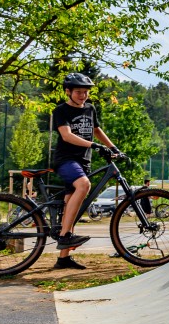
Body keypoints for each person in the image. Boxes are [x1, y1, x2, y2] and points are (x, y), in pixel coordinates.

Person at [49, 72, 121, 270]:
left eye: (85, 92)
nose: (83, 96)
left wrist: (113, 148)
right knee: (84, 185)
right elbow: (66, 135)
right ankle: (65, 236)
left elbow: (97, 130)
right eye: (79, 92)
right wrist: (95, 146)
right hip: (66, 160)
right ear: (68, 92)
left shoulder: (90, 108)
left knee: (71, 208)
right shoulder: (61, 110)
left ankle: (63, 259)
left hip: (83, 161)